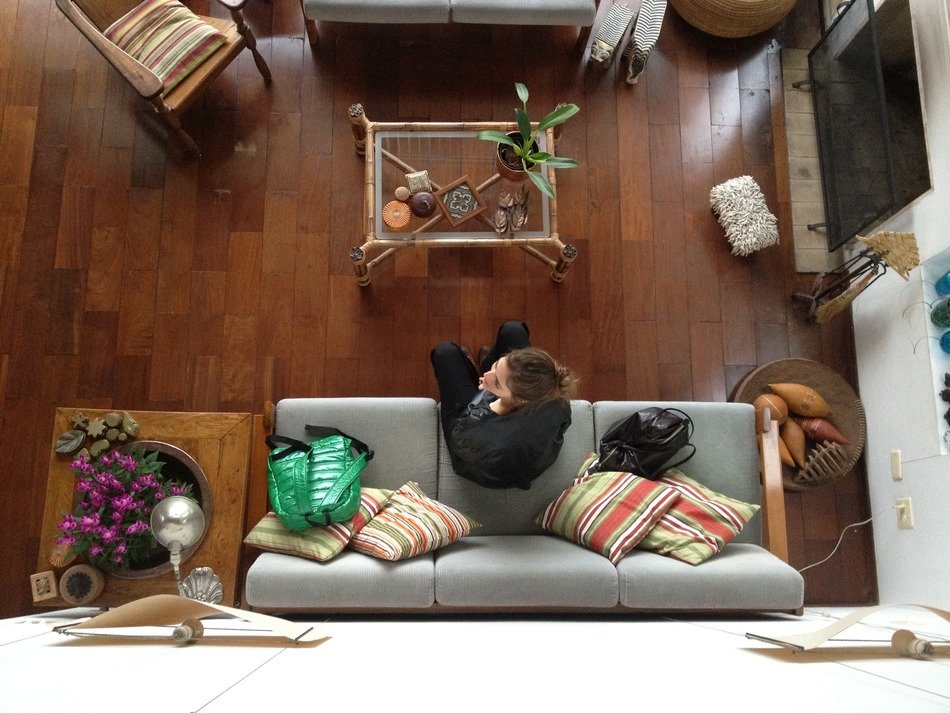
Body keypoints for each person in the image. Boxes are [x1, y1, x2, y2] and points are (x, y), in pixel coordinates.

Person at [430, 321, 578, 489]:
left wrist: (486, 396)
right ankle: (491, 367)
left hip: (483, 455)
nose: (486, 376)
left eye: (497, 382)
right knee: (513, 329)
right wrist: (496, 388)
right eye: (496, 365)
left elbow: (460, 438)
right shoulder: (555, 394)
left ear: (521, 399)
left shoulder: (476, 435)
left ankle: (472, 368)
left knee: (445, 352)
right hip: (506, 445)